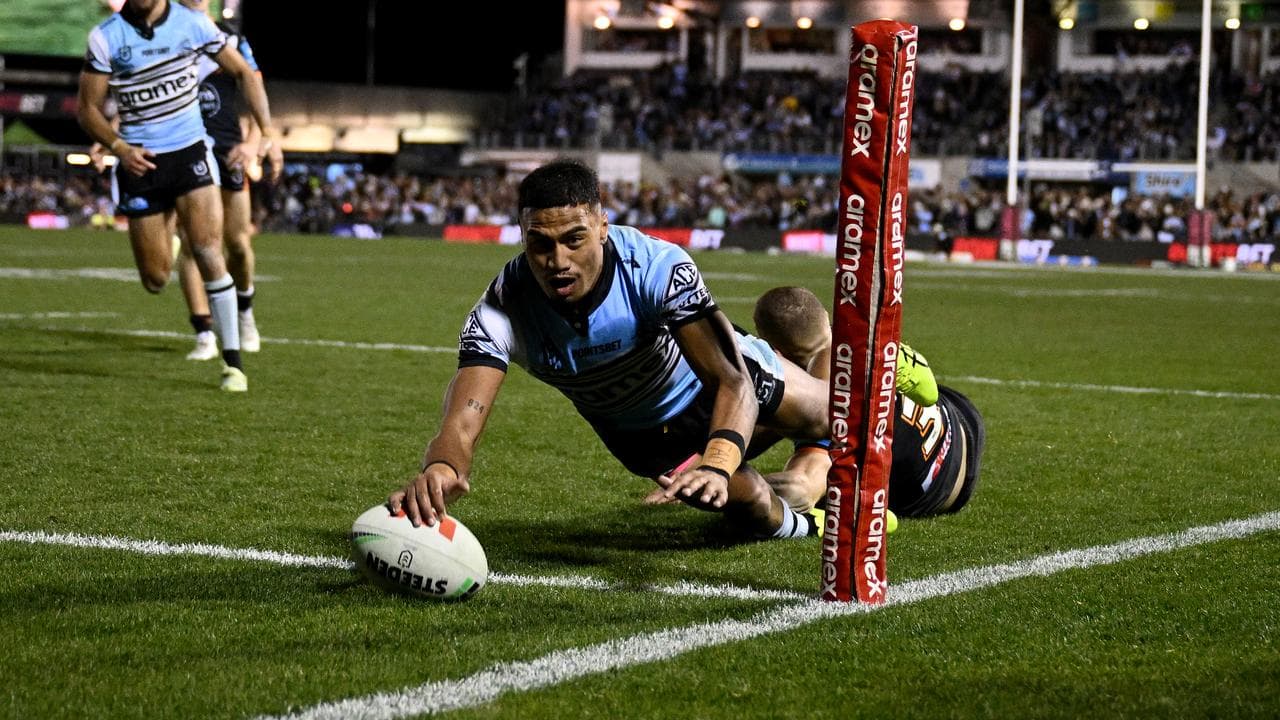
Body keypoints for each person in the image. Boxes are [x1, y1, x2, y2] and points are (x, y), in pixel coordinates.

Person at [389, 159, 832, 541]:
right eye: (540, 244)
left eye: (574, 240)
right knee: (753, 502)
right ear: (522, 237)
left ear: (603, 227)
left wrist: (717, 462)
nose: (557, 261)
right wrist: (442, 467)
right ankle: (805, 519)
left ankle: (835, 364)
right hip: (646, 440)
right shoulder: (500, 311)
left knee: (835, 414)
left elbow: (731, 381)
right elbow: (462, 421)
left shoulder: (656, 267)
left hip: (711, 380)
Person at [77, 0, 280, 391]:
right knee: (155, 279)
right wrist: (119, 147)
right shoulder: (105, 38)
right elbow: (87, 110)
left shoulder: (193, 25)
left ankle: (232, 363)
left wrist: (266, 133)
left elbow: (247, 74)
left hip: (190, 153)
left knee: (207, 249)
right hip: (140, 162)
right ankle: (165, 256)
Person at [749, 286, 985, 519]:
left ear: (776, 352)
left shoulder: (825, 397)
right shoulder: (852, 338)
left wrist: (730, 484)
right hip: (960, 418)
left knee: (800, 417)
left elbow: (799, 490)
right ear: (826, 317)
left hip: (937, 492)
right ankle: (891, 364)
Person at [175, 0, 273, 361]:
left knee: (237, 243)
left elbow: (252, 88)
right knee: (191, 242)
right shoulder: (168, 35)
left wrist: (253, 141)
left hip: (230, 149)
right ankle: (203, 333)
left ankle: (245, 311)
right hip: (187, 148)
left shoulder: (231, 37)